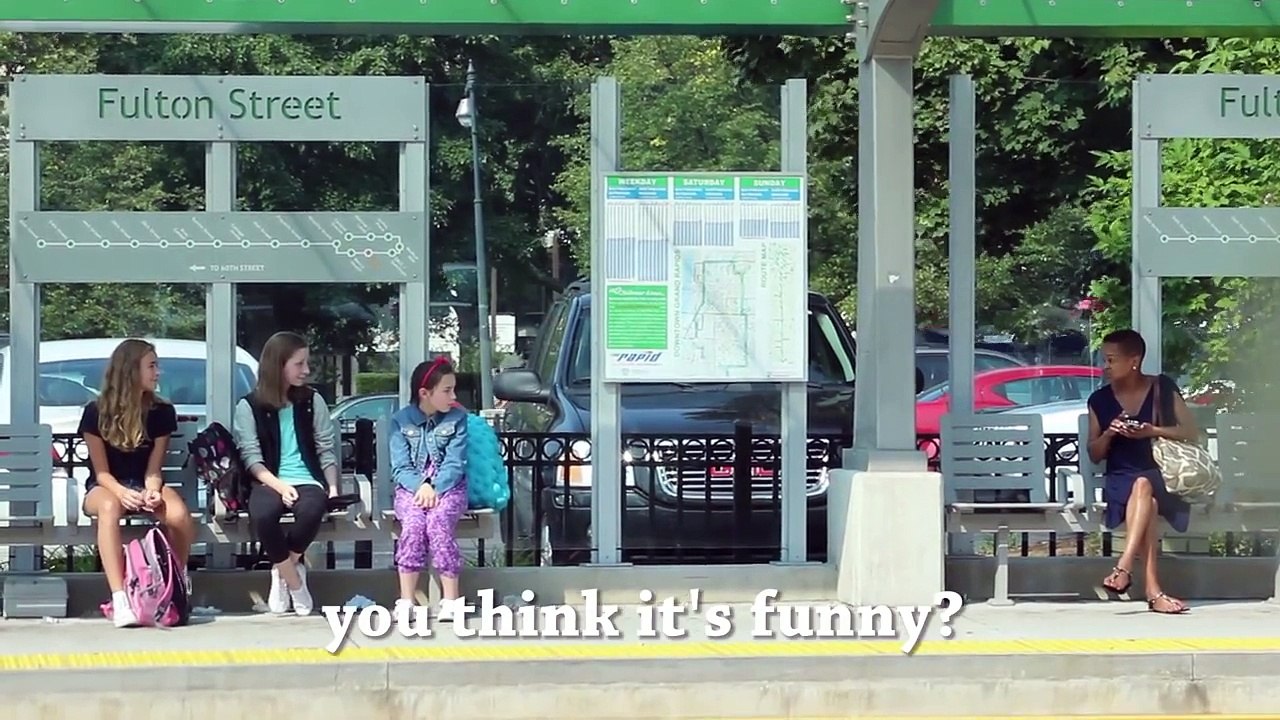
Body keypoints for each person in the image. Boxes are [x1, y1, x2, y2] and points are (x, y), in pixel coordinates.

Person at [80, 338, 196, 628]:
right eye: (152, 366)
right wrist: (122, 493)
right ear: (131, 370)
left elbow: (154, 469)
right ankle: (120, 599)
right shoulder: (95, 413)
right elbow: (101, 473)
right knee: (109, 508)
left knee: (179, 514)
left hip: (143, 484)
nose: (158, 373)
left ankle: (175, 584)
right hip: (105, 487)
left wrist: (153, 491)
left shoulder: (161, 412)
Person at [1086, 329, 1199, 614]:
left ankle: (1124, 566)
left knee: (1145, 486)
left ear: (1133, 360)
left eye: (1111, 360)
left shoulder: (1162, 387)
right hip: (1121, 477)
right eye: (1105, 360)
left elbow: (1190, 432)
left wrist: (1152, 430)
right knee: (1142, 493)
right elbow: (1095, 453)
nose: (1106, 366)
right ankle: (1153, 592)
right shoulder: (1099, 400)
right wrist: (1110, 433)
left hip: (1162, 473)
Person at [233, 331, 339, 616]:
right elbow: (251, 459)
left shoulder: (311, 401)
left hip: (307, 478)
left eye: (306, 363)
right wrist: (279, 486)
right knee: (264, 515)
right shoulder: (249, 406)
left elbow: (325, 448)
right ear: (278, 365)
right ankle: (294, 581)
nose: (306, 371)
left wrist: (332, 486)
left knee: (312, 510)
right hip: (268, 479)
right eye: (299, 364)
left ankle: (282, 572)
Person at [388, 356, 470, 621]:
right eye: (446, 390)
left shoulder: (457, 419)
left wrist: (434, 486)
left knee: (438, 521)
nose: (453, 396)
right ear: (425, 393)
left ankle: (450, 599)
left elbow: (455, 464)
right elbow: (400, 468)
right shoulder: (401, 422)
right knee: (412, 525)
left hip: (449, 487)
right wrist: (421, 486)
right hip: (411, 488)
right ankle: (406, 600)